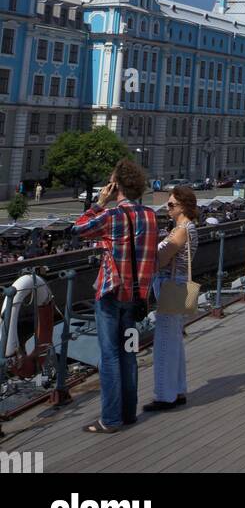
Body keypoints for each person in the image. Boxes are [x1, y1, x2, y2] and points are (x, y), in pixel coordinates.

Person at [74, 158, 158, 433]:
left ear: (115, 186)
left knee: (109, 355)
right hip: (136, 298)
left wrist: (99, 202)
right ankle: (129, 413)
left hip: (111, 295)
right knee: (129, 353)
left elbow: (79, 229)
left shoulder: (112, 216)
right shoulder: (150, 215)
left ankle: (110, 419)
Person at [145, 185, 199, 411]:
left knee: (165, 341)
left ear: (183, 206)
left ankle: (165, 395)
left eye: (171, 205)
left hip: (170, 286)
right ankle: (177, 390)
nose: (167, 208)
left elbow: (163, 258)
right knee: (175, 339)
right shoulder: (188, 227)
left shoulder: (181, 230)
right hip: (178, 287)